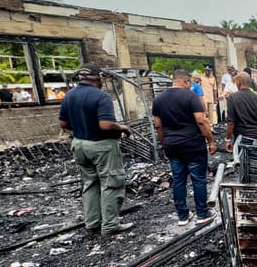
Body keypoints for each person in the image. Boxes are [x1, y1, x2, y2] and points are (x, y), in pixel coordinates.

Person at [57, 64, 134, 236]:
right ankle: (110, 225)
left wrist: (80, 127)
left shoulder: (69, 95)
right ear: (98, 77)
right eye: (103, 78)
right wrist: (122, 127)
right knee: (111, 183)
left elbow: (62, 124)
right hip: (101, 145)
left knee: (90, 183)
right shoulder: (101, 96)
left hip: (79, 144)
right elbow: (105, 125)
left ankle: (92, 224)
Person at [151, 69, 217, 226]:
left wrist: (164, 145)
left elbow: (158, 126)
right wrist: (211, 141)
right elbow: (201, 121)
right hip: (193, 145)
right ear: (186, 81)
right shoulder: (191, 96)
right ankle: (202, 214)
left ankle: (182, 216)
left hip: (172, 146)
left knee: (178, 180)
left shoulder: (158, 99)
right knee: (198, 179)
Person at [225, 72, 257, 152]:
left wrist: (228, 140)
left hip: (242, 139)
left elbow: (231, 122)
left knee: (244, 162)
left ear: (238, 83)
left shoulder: (232, 98)